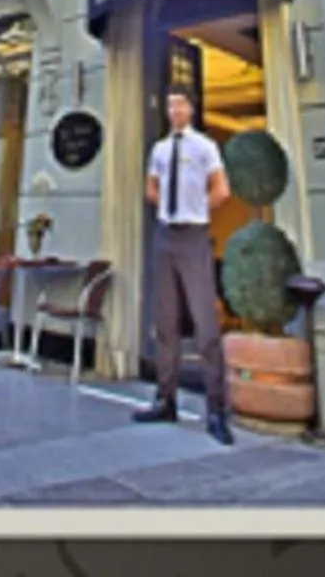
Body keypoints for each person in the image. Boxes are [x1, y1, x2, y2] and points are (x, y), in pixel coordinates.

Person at [133, 86, 233, 445]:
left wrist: (195, 210)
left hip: (193, 237)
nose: (175, 110)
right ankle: (165, 399)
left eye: (181, 104)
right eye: (170, 104)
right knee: (166, 321)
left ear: (191, 109)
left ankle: (218, 411)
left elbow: (222, 189)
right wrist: (167, 211)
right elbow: (151, 189)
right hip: (165, 236)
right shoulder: (159, 150)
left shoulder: (205, 147)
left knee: (205, 325)